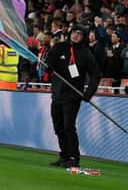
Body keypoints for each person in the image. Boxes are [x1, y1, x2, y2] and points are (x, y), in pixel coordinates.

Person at [47, 24, 100, 168]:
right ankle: (64, 156)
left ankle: (74, 157)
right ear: (70, 33)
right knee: (58, 127)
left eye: (80, 34)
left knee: (68, 126)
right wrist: (49, 66)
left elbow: (96, 75)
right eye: (74, 32)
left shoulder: (86, 53)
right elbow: (49, 61)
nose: (76, 35)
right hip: (57, 94)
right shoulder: (59, 47)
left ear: (83, 37)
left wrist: (89, 93)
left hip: (73, 95)